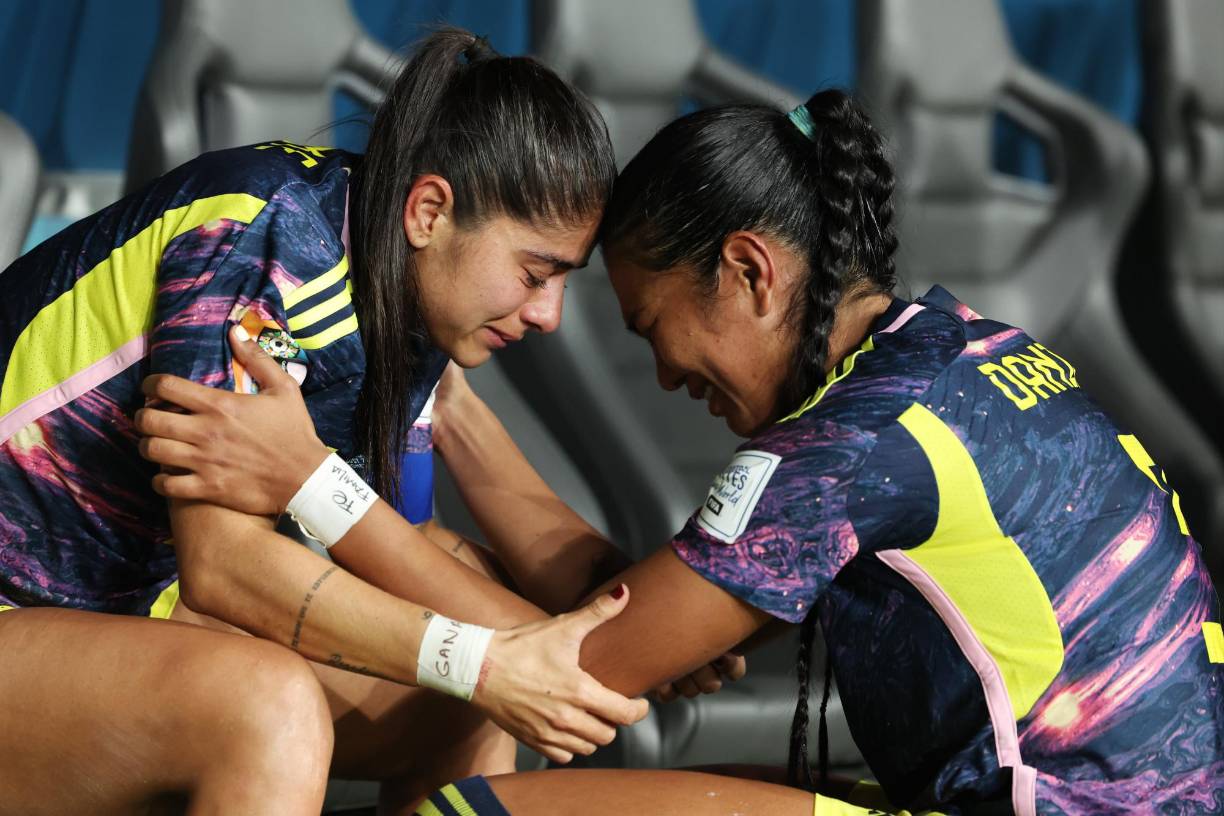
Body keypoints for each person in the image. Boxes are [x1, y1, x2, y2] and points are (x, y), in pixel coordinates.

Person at [137, 89, 1223, 815]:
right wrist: (450, 405)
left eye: (655, 328)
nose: (662, 376)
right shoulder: (958, 353)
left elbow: (580, 671)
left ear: (748, 272)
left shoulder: (843, 448)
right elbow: (608, 602)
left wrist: (311, 486)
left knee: (474, 813)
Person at [0, 29, 673, 815]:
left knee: (457, 693)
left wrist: (572, 648)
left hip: (113, 611)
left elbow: (398, 548)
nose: (549, 313)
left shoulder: (407, 292)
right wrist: (485, 659)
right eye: (534, 273)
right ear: (430, 211)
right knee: (270, 704)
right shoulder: (263, 234)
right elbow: (223, 565)